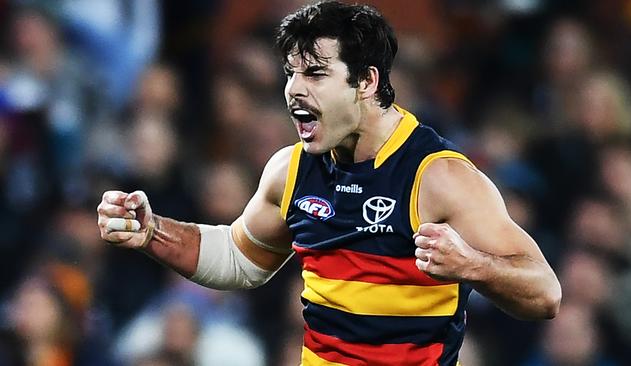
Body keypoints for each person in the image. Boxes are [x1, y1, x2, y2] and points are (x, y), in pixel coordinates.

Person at [97, 2, 561, 365]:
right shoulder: (291, 169)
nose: (295, 89)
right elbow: (239, 259)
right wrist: (151, 232)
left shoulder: (437, 176)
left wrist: (472, 265)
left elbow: (545, 293)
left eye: (315, 73)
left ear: (366, 81)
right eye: (291, 72)